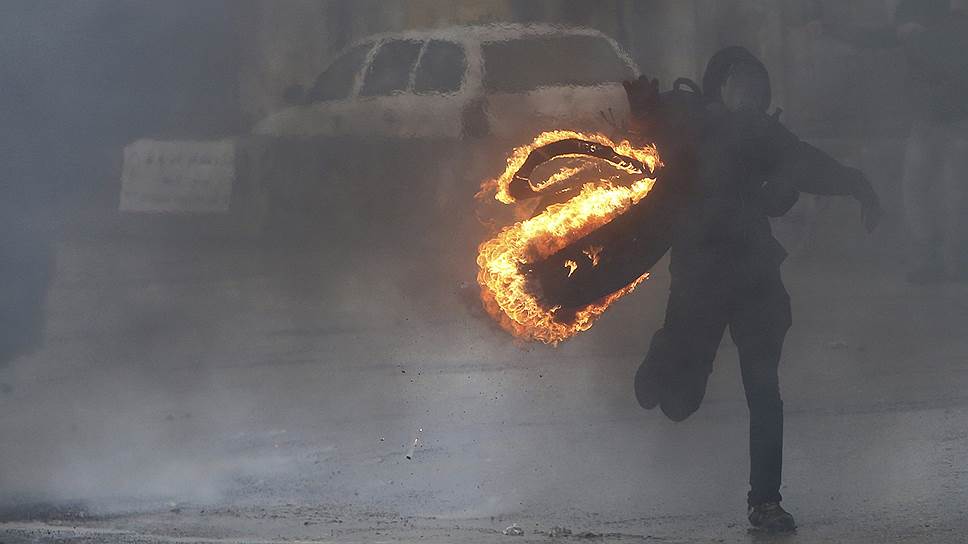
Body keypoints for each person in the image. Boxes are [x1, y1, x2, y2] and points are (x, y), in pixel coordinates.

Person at [624, 47, 881, 532]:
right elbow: (645, 138)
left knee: (764, 389)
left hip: (754, 276)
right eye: (740, 83)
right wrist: (643, 110)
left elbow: (808, 165)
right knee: (679, 403)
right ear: (718, 86)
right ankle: (664, 356)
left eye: (757, 87)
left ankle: (765, 501)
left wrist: (857, 185)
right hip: (700, 276)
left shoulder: (762, 132)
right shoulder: (689, 123)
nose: (750, 95)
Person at [813, 0, 968, 282]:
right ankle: (931, 258)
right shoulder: (916, 25)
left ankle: (955, 260)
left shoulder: (954, 26)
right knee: (917, 190)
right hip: (928, 122)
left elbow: (952, 64)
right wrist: (831, 29)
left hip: (958, 123)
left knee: (955, 193)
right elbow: (876, 38)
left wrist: (921, 38)